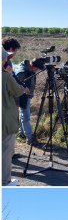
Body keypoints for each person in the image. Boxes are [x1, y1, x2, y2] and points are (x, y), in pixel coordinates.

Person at [2, 50, 25, 186]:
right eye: (6, 58)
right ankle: (5, 182)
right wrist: (10, 74)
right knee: (5, 152)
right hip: (5, 122)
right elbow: (18, 91)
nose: (7, 60)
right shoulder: (5, 76)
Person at [15, 58, 44, 145]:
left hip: (26, 96)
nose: (37, 70)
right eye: (37, 68)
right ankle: (30, 138)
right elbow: (16, 86)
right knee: (26, 116)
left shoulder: (30, 70)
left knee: (22, 115)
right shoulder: (22, 72)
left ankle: (21, 133)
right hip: (21, 97)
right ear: (32, 65)